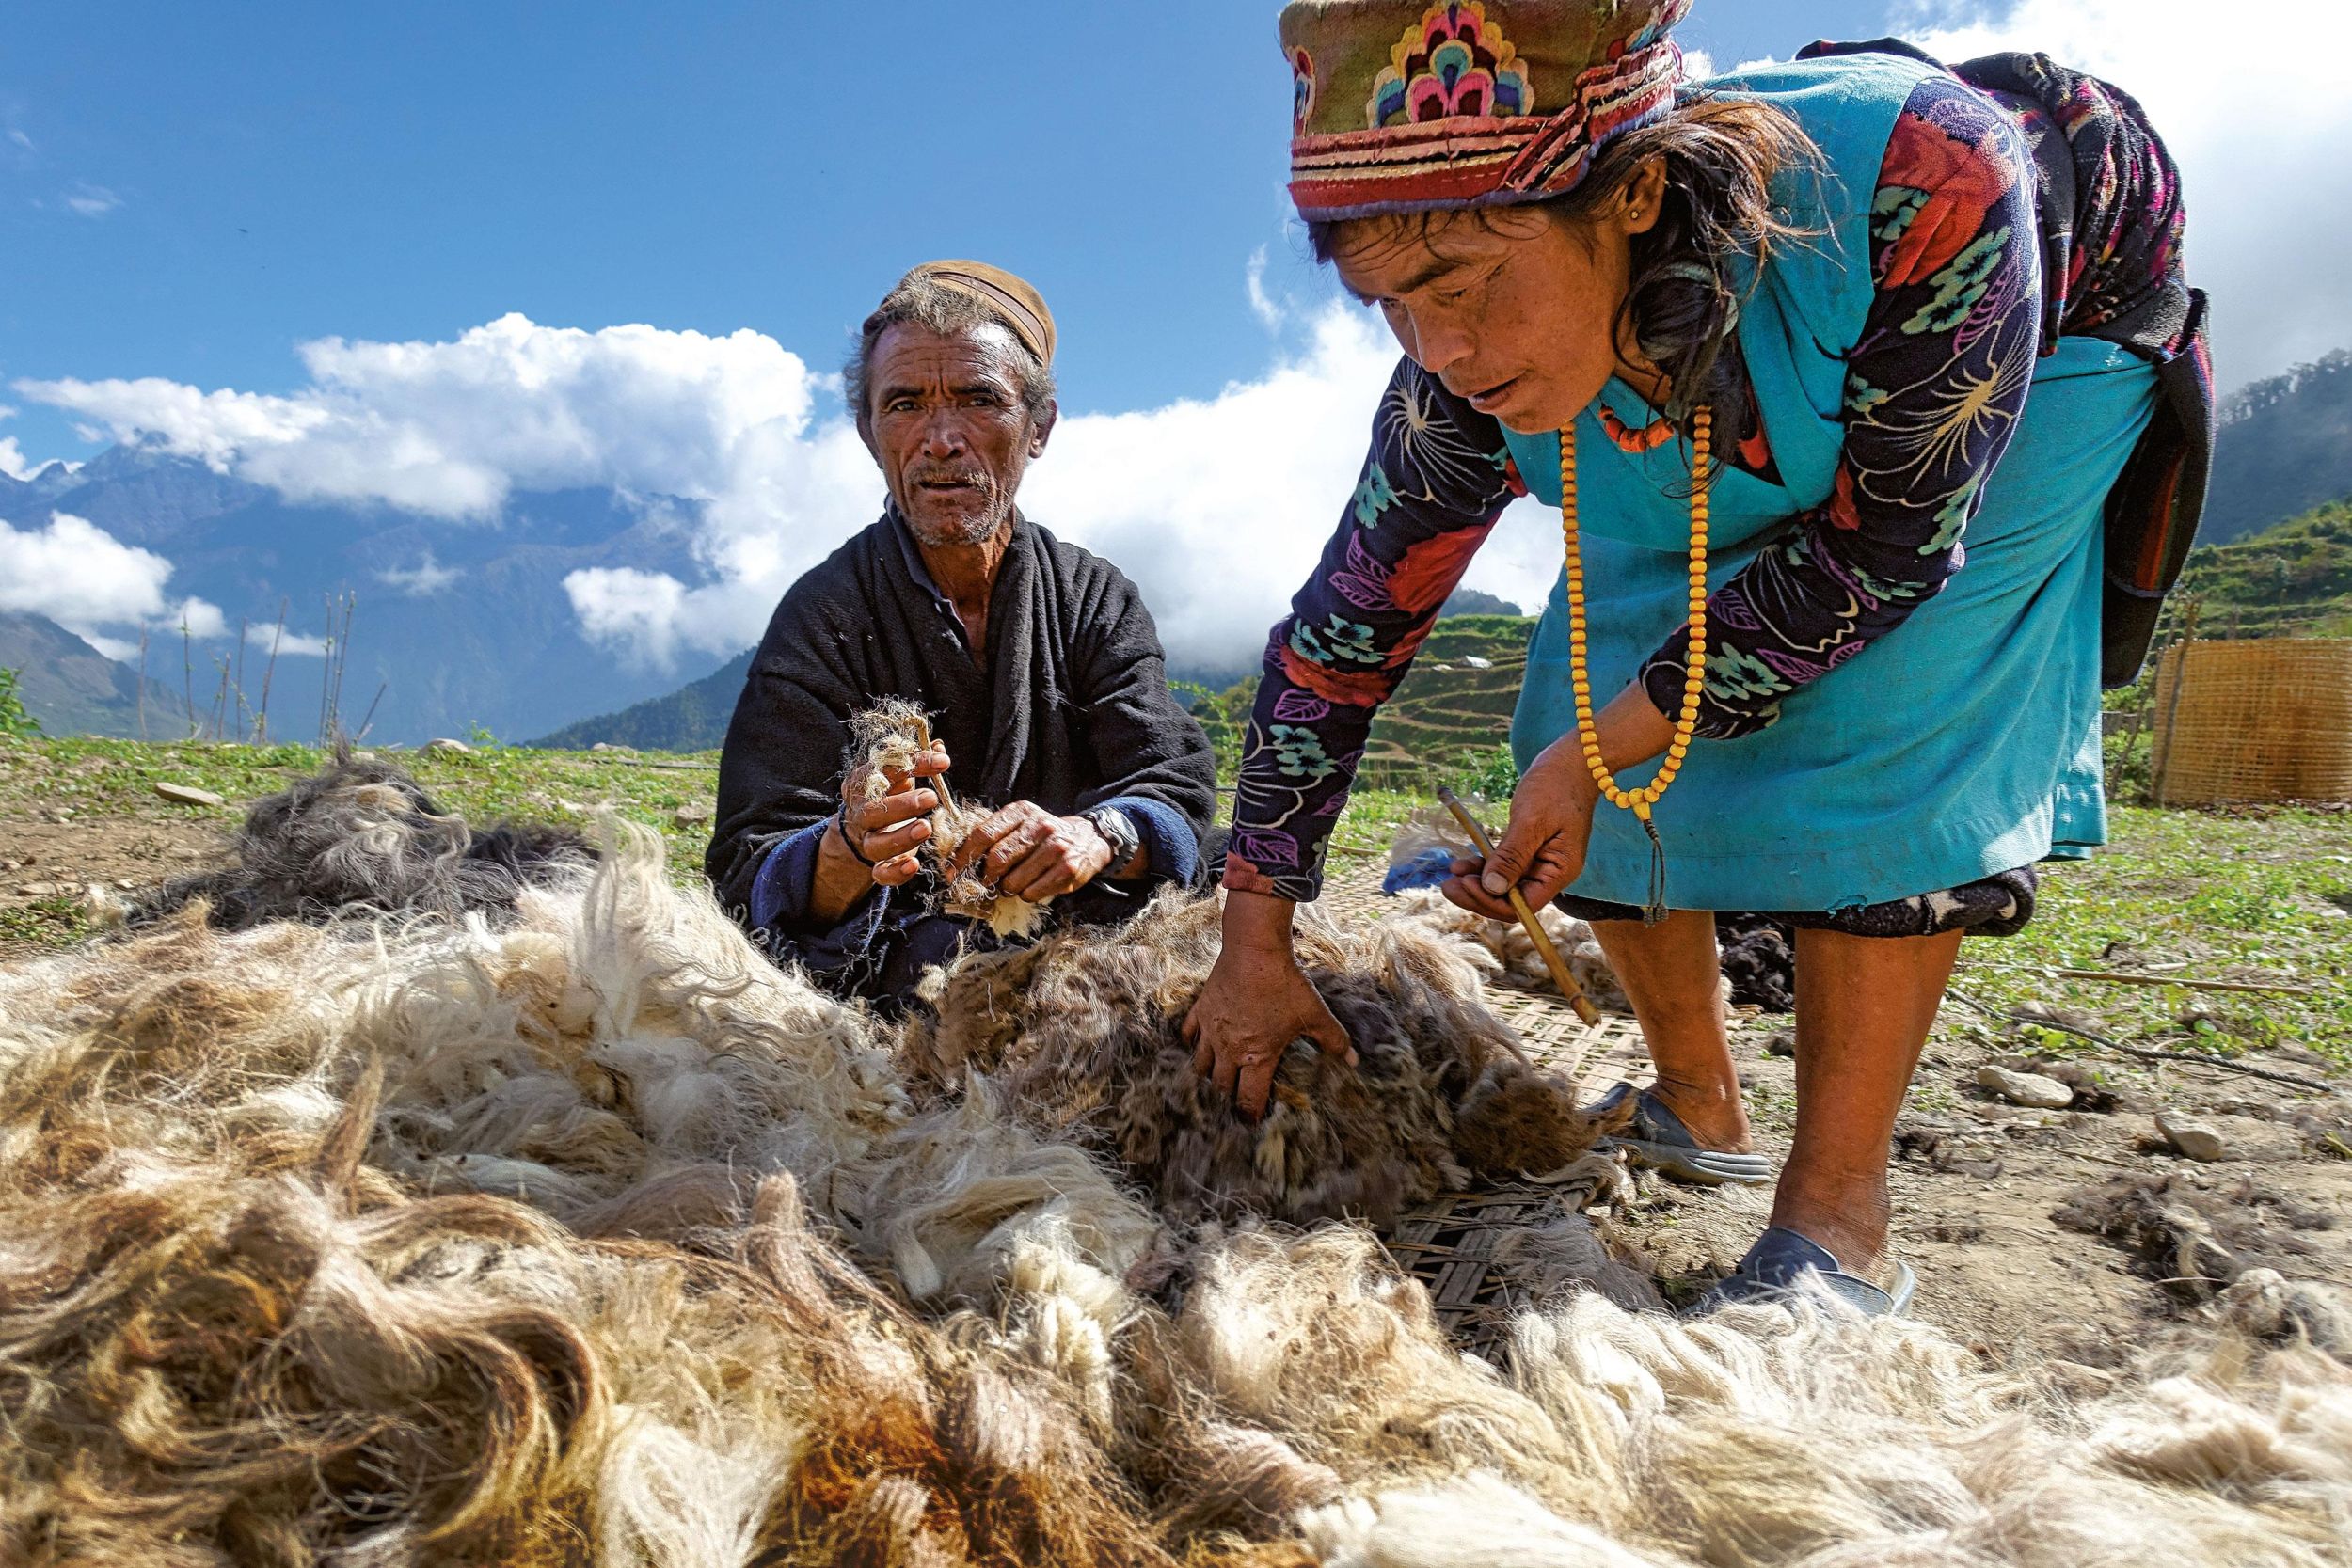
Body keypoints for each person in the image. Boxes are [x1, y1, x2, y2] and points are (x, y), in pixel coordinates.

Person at [1185, 1, 2211, 1313]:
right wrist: (1255, 947)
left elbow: (1885, 553)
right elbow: (1342, 636)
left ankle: (1839, 1219)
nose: (1441, 352)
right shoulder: (1463, 385)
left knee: (1883, 701)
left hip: (2043, 332)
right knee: (1578, 672)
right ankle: (1698, 1099)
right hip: (1710, 356)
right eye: (1393, 307)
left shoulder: (1932, 183)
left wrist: (1611, 742)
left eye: (1466, 284)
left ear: (1634, 192)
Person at [708, 261, 1219, 1006]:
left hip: (1084, 921)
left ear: (1038, 426)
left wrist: (1096, 836)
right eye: (906, 403)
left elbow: (1167, 781)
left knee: (1246, 877)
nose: (940, 439)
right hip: (913, 955)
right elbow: (749, 861)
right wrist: (850, 850)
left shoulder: (1094, 598)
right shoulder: (823, 615)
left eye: (979, 399)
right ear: (869, 431)